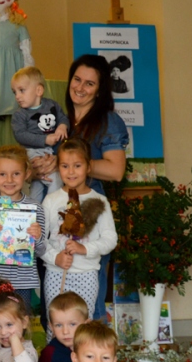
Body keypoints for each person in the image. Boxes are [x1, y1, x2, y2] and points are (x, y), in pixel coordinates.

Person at [33, 55, 128, 319]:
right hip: (53, 214)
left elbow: (116, 170)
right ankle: (56, 346)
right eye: (77, 79)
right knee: (55, 305)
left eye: (89, 83)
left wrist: (68, 164)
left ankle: (92, 345)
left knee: (87, 308)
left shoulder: (108, 121)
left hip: (88, 217)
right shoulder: (57, 116)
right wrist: (37, 166)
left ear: (100, 90)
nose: (80, 87)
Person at [0, 145, 45, 347]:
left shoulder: (35, 208)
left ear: (27, 174)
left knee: (19, 332)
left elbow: (41, 251)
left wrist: (38, 237)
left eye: (16, 173)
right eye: (2, 174)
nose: (9, 180)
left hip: (22, 281)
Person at [41, 139, 116, 320]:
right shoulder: (51, 200)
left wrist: (85, 249)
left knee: (82, 325)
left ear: (88, 167)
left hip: (87, 274)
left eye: (77, 165)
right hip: (56, 273)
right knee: (57, 323)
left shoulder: (100, 201)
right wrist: (55, 257)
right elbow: (38, 239)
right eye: (65, 166)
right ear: (58, 168)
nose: (71, 172)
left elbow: (110, 239)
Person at [10, 66, 69, 203]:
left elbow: (63, 118)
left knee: (37, 187)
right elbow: (20, 135)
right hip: (32, 151)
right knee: (53, 178)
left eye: (21, 90)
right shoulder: (20, 114)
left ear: (39, 90)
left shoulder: (52, 105)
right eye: (15, 92)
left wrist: (62, 126)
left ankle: (38, 209)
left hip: (51, 150)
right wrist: (45, 139)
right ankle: (51, 207)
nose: (17, 96)